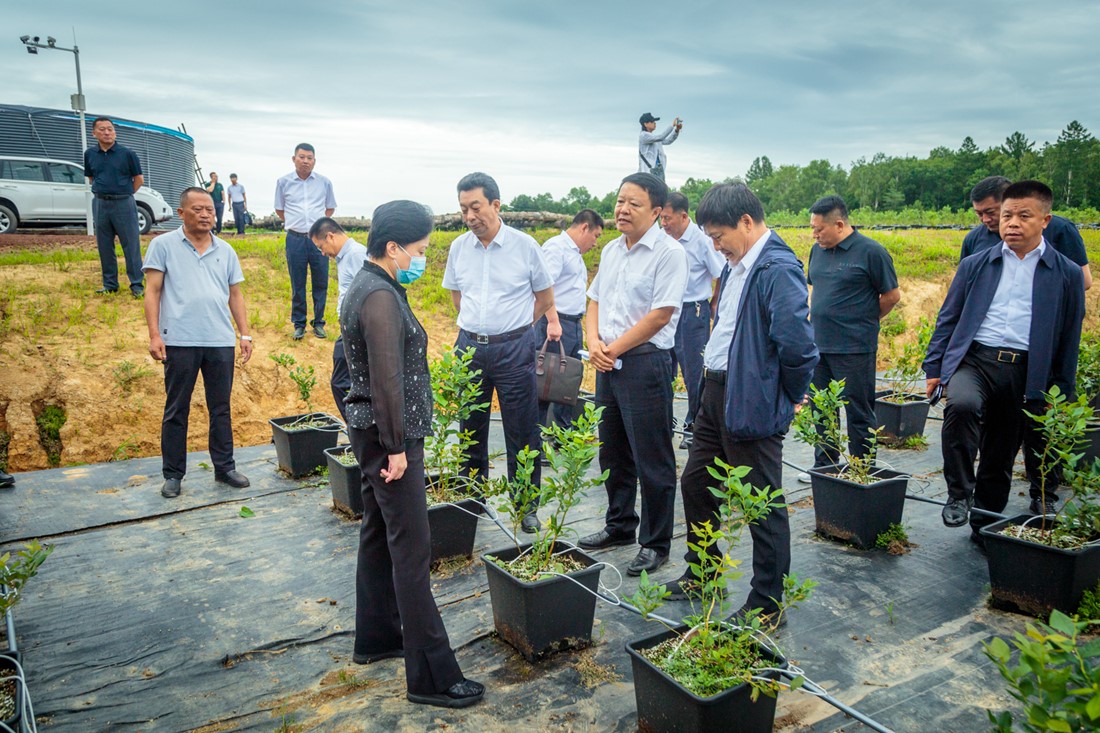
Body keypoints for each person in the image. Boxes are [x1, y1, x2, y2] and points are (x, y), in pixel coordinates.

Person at [341, 199, 484, 709]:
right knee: (412, 549)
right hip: (390, 441)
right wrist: (395, 447)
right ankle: (430, 677)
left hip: (374, 433)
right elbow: (386, 379)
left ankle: (377, 637)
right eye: (419, 249)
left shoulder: (367, 285)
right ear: (393, 246)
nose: (421, 258)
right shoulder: (379, 295)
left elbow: (346, 370)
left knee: (379, 534)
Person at [672, 183, 818, 623]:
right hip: (716, 393)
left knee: (760, 502)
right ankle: (703, 572)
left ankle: (768, 603)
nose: (716, 246)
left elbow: (798, 346)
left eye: (719, 236)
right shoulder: (738, 264)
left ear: (747, 222)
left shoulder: (777, 269)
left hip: (751, 397)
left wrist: (789, 395)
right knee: (696, 483)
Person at [925, 180, 1085, 538]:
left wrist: (1061, 389)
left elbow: (1069, 337)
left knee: (1000, 452)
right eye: (1007, 215)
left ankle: (984, 525)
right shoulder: (975, 265)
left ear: (1045, 220)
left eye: (1023, 216)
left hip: (1025, 370)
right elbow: (948, 318)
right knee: (961, 406)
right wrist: (934, 367)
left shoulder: (1067, 274)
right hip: (975, 360)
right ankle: (958, 493)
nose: (1012, 223)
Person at [578, 172, 688, 576]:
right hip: (607, 362)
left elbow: (661, 314)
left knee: (652, 457)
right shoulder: (611, 250)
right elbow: (593, 300)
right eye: (620, 201)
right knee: (613, 450)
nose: (622, 209)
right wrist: (593, 341)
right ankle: (620, 525)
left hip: (644, 363)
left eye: (633, 203)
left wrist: (613, 348)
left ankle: (655, 543)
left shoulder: (668, 253)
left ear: (656, 211)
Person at [442, 172, 555, 534]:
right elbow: (457, 296)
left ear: (495, 204)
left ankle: (526, 506)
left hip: (514, 349)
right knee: (470, 426)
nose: (469, 216)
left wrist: (516, 327)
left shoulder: (525, 246)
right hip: (470, 348)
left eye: (475, 207)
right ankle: (472, 497)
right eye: (463, 209)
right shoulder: (459, 247)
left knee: (522, 429)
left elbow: (545, 299)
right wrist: (478, 327)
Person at [143, 188, 253, 499]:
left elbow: (235, 295)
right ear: (181, 213)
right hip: (179, 340)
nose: (205, 215)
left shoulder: (225, 250)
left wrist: (244, 334)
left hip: (219, 340)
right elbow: (152, 291)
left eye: (210, 210)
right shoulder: (163, 245)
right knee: (176, 408)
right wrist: (154, 334)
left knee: (221, 408)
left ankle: (225, 467)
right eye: (198, 209)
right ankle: (173, 474)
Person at [799, 195, 899, 478]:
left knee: (858, 411)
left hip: (854, 348)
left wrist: (864, 320)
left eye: (819, 229)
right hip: (819, 346)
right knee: (822, 410)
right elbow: (818, 291)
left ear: (839, 225)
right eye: (813, 228)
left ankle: (861, 469)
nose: (814, 234)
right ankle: (826, 467)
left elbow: (891, 296)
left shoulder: (871, 252)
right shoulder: (817, 251)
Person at [660, 192, 726, 448]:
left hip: (692, 311)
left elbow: (721, 272)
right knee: (664, 368)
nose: (664, 223)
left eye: (667, 218)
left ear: (683, 216)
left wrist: (714, 302)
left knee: (693, 372)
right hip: (666, 311)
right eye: (661, 218)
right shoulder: (663, 239)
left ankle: (694, 424)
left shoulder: (702, 240)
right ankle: (665, 421)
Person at [535, 208, 604, 432]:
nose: (595, 243)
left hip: (572, 323)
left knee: (567, 383)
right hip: (556, 323)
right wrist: (553, 321)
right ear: (585, 227)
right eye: (595, 236)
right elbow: (544, 287)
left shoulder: (575, 253)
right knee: (547, 381)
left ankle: (562, 435)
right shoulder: (556, 248)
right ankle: (538, 436)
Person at [962, 175, 1091, 290]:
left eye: (990, 212)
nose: (985, 219)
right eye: (979, 214)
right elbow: (965, 283)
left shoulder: (1061, 229)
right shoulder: (973, 238)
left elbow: (1083, 282)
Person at [274, 143, 337, 340]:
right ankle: (299, 323)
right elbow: (280, 210)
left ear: (314, 161)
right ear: (294, 159)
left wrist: (317, 226)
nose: (305, 161)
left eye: (309, 158)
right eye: (301, 157)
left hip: (319, 240)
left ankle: (319, 323)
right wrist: (296, 222)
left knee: (321, 281)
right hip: (295, 239)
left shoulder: (324, 182)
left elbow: (329, 208)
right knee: (298, 282)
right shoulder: (283, 182)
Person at [310, 217, 369, 422]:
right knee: (347, 381)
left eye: (321, 247)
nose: (322, 253)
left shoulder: (356, 254)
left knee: (340, 382)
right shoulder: (344, 257)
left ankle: (359, 427)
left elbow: (370, 292)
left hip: (357, 330)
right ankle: (360, 426)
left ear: (330, 236)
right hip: (349, 328)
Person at [84, 117, 145, 298]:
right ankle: (110, 284)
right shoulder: (90, 154)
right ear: (94, 133)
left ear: (115, 132)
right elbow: (91, 178)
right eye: (102, 129)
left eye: (110, 129)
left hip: (123, 202)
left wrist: (125, 193)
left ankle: (136, 284)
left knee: (131, 244)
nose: (107, 132)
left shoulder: (127, 154)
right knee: (104, 245)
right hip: (100, 203)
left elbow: (139, 179)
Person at [637, 113, 682, 181]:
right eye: (652, 121)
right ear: (645, 124)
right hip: (647, 172)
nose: (655, 123)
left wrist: (677, 130)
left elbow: (668, 141)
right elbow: (661, 137)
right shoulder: (643, 135)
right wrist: (672, 126)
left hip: (658, 171)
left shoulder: (653, 137)